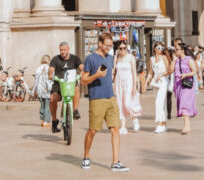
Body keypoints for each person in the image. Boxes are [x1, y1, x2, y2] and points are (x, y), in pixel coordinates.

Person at [80, 31, 128, 172]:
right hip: (97, 99)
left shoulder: (110, 58)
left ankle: (115, 162)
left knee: (115, 129)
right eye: (106, 45)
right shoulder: (90, 59)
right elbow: (83, 80)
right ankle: (86, 157)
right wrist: (97, 75)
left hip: (111, 97)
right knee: (93, 130)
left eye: (110, 46)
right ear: (100, 43)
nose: (108, 48)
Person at [49, 42, 83, 132]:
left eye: (64, 50)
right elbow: (51, 69)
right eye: (61, 50)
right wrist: (50, 74)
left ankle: (75, 110)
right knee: (52, 99)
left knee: (76, 87)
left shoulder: (75, 58)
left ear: (68, 49)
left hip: (71, 83)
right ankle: (54, 121)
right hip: (59, 83)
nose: (62, 52)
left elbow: (82, 67)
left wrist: (83, 72)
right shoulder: (55, 59)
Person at [113, 41, 142, 133]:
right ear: (117, 49)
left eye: (124, 48)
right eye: (120, 48)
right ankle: (123, 126)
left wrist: (135, 85)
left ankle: (134, 118)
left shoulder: (130, 57)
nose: (122, 50)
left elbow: (134, 71)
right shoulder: (116, 57)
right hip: (118, 82)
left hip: (128, 81)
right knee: (120, 104)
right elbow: (114, 71)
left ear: (127, 48)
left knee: (127, 103)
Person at [173, 44, 198, 134]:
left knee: (184, 104)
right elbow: (171, 70)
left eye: (177, 49)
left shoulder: (188, 59)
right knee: (181, 104)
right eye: (175, 50)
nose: (175, 51)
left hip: (187, 84)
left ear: (182, 50)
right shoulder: (176, 60)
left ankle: (185, 127)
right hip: (178, 84)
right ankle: (188, 126)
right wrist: (173, 60)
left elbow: (194, 71)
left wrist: (186, 74)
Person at [146, 43, 171, 133]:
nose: (160, 49)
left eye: (161, 47)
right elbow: (150, 72)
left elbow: (169, 70)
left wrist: (161, 74)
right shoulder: (151, 59)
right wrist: (146, 81)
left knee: (158, 103)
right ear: (154, 48)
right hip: (155, 82)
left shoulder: (164, 57)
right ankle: (163, 124)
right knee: (161, 103)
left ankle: (160, 124)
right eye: (158, 47)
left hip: (163, 81)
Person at [34, 55, 53, 127]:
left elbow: (35, 80)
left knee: (42, 105)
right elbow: (52, 78)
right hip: (47, 89)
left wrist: (35, 90)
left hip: (39, 90)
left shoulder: (38, 68)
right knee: (47, 106)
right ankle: (46, 121)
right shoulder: (49, 68)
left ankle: (42, 120)